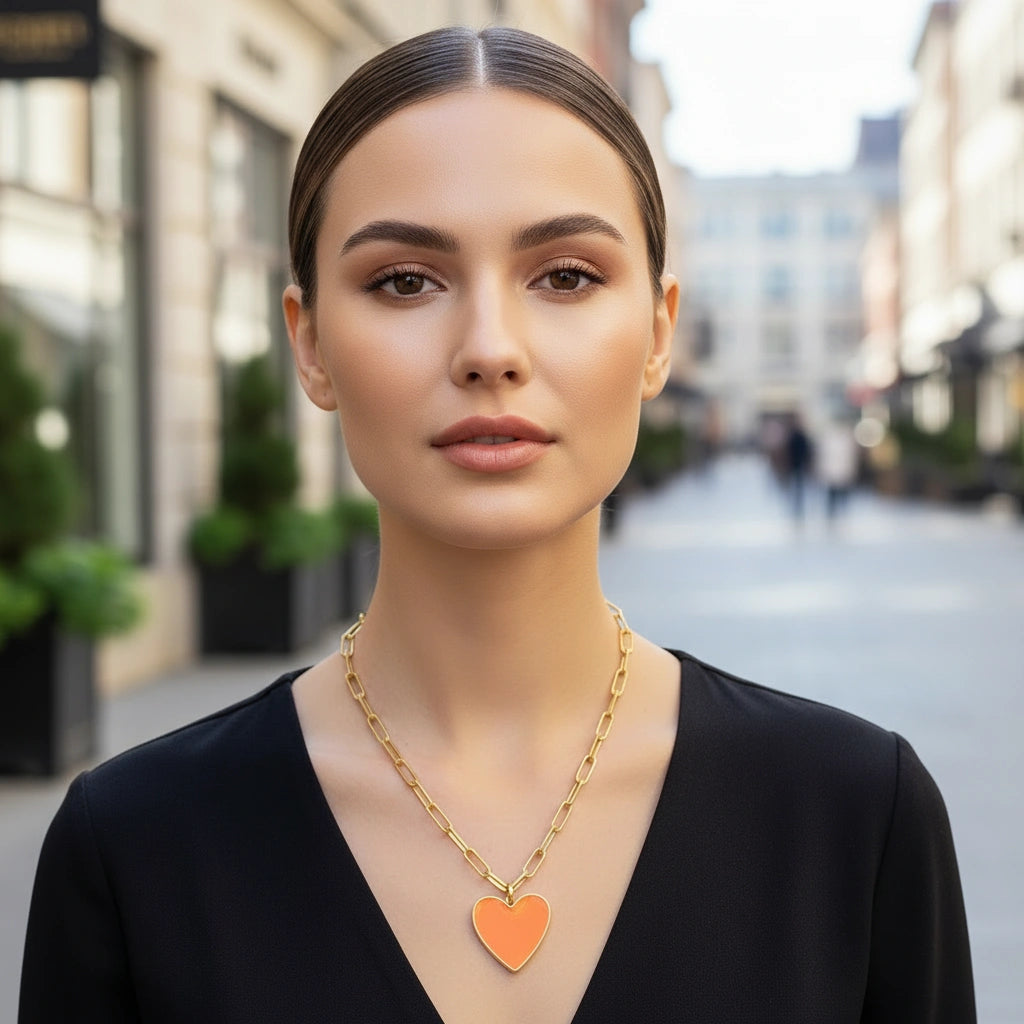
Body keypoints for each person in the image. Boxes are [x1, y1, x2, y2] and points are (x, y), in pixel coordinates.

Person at [19, 26, 974, 1024]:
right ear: (308, 345)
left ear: (656, 332)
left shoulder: (853, 815)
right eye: (404, 280)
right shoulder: (136, 846)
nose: (488, 349)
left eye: (564, 275)